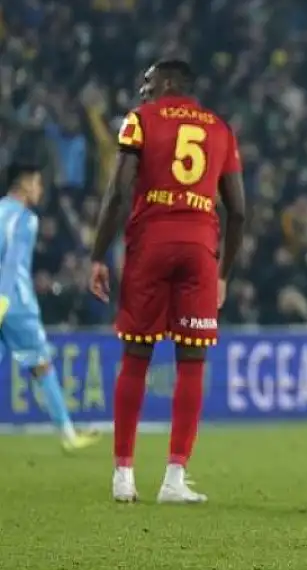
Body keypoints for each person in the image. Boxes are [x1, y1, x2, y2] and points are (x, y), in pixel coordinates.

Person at [88, 60, 247, 504]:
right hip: (199, 249)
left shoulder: (139, 121)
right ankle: (174, 479)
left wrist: (98, 255)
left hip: (150, 245)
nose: (143, 90)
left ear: (170, 83)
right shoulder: (221, 129)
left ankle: (123, 475)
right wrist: (223, 273)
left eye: (149, 82)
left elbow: (118, 192)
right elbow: (238, 212)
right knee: (192, 361)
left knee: (135, 356)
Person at [0, 163, 100, 452]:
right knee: (42, 366)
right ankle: (68, 435)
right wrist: (4, 301)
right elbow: (12, 263)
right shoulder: (27, 219)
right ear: (25, 183)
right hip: (16, 304)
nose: (40, 189)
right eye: (37, 183)